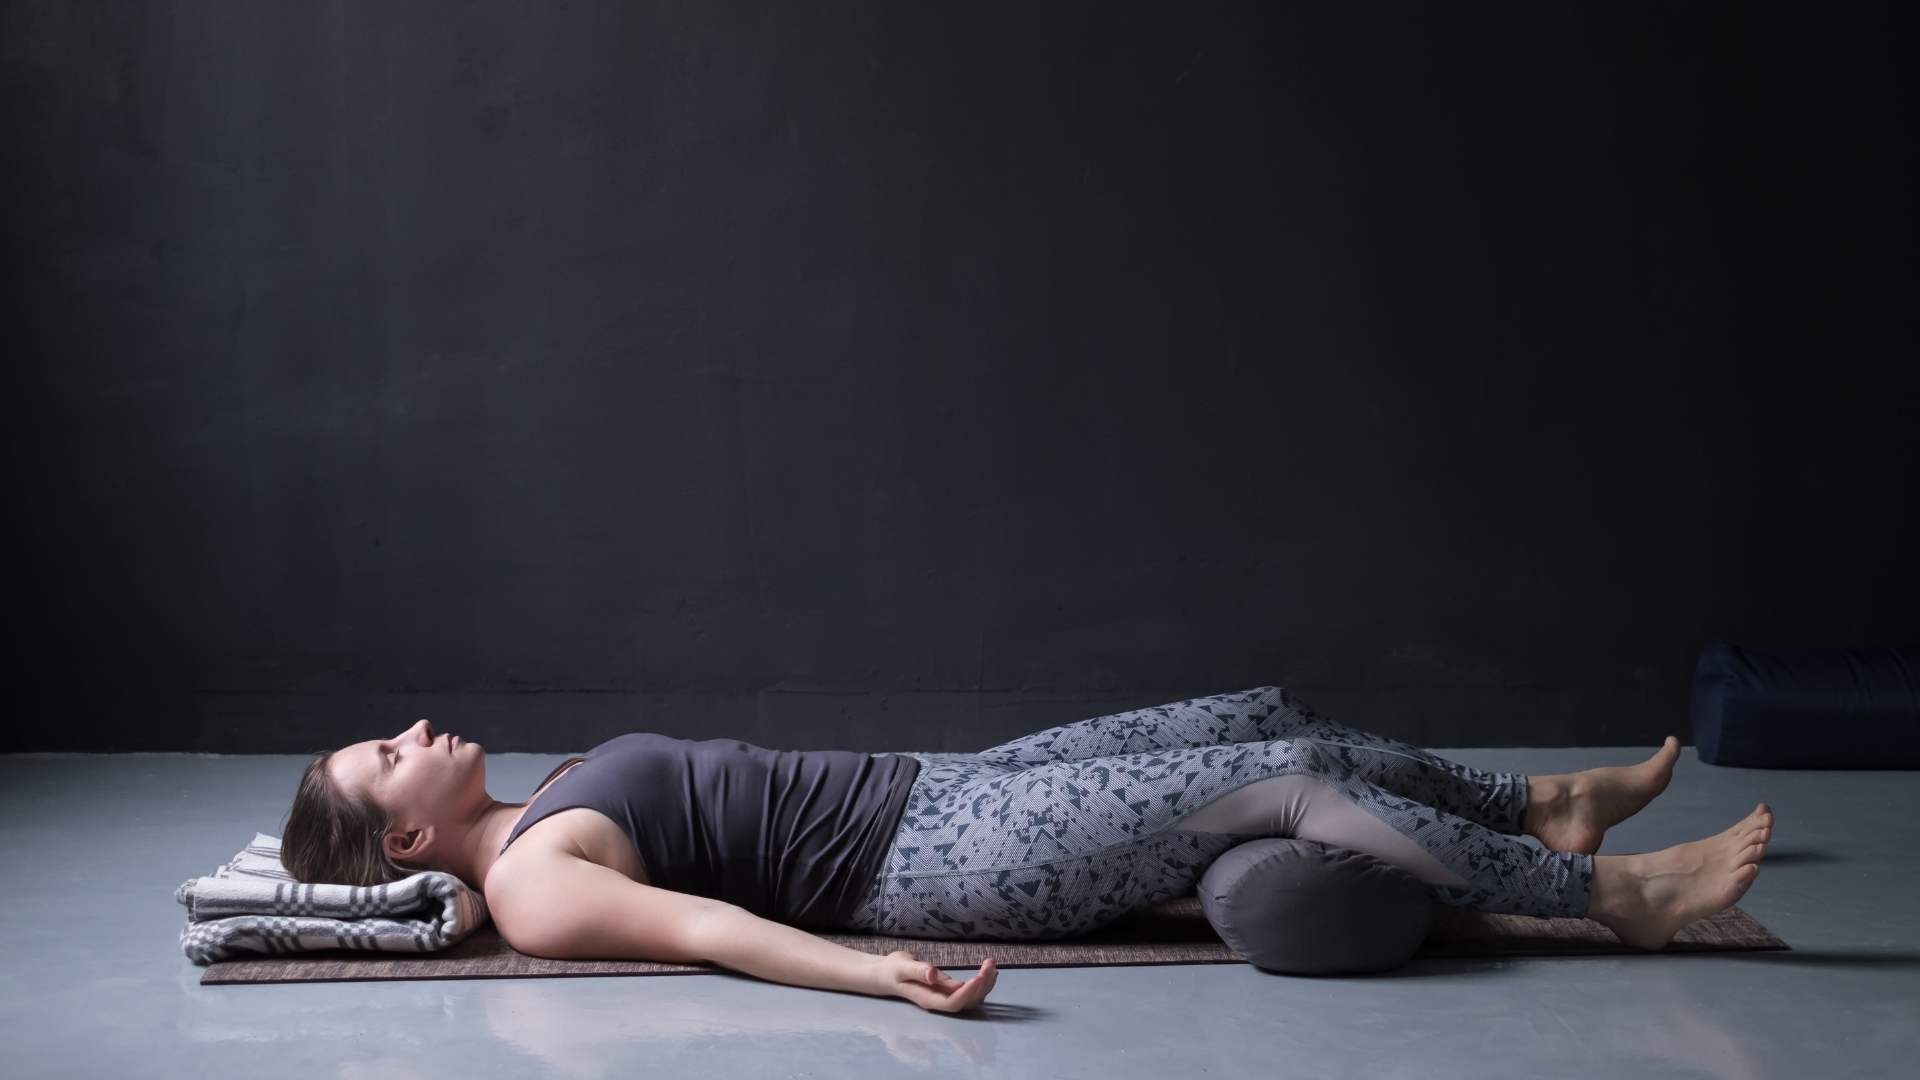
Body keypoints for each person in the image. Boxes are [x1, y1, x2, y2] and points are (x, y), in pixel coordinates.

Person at [281, 687, 1771, 1013]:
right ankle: (1606, 896)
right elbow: (712, 936)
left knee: (1251, 705)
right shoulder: (533, 886)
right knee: (1281, 778)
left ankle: (1533, 809)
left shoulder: (540, 800)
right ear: (409, 832)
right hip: (935, 856)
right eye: (384, 754)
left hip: (944, 783)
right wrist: (885, 979)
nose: (409, 726)